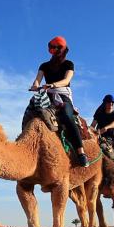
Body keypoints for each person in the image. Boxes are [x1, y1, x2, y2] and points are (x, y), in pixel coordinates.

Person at [30, 35, 88, 167]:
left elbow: (67, 80)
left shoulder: (68, 64)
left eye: (55, 48)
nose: (53, 50)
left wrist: (53, 85)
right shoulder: (44, 65)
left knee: (67, 117)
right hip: (47, 95)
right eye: (52, 48)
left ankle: (81, 152)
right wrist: (35, 85)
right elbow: (38, 79)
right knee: (31, 111)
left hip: (62, 96)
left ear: (61, 49)